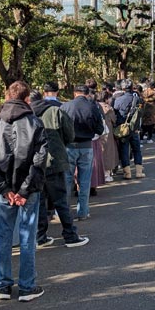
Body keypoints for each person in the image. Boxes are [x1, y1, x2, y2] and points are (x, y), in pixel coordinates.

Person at [0, 81, 49, 302]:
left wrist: (5, 190)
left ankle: (3, 285)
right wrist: (23, 190)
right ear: (27, 98)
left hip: (6, 192)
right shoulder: (35, 123)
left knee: (3, 237)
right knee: (27, 237)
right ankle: (27, 287)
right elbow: (39, 160)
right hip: (27, 190)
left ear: (7, 96)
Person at [30, 83, 89, 248]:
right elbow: (70, 135)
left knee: (40, 201)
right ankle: (70, 235)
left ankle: (40, 236)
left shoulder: (26, 116)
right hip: (54, 160)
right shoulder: (55, 111)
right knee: (61, 200)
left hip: (33, 164)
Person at [60, 85, 105, 220]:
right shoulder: (93, 107)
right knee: (85, 180)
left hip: (69, 146)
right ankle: (83, 212)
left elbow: (59, 127)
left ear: (75, 93)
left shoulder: (65, 107)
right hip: (86, 146)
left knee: (67, 179)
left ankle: (65, 212)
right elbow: (100, 129)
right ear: (87, 94)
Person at [113, 79, 145, 179]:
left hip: (123, 129)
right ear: (132, 88)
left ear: (123, 88)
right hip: (134, 128)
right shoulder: (138, 99)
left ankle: (127, 173)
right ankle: (139, 172)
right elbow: (141, 113)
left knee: (124, 149)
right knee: (137, 150)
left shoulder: (118, 100)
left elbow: (115, 113)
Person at [99, 91, 119, 181]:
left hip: (97, 133)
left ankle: (99, 174)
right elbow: (114, 120)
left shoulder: (95, 106)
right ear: (106, 99)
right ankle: (107, 174)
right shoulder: (108, 108)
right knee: (108, 152)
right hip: (108, 132)